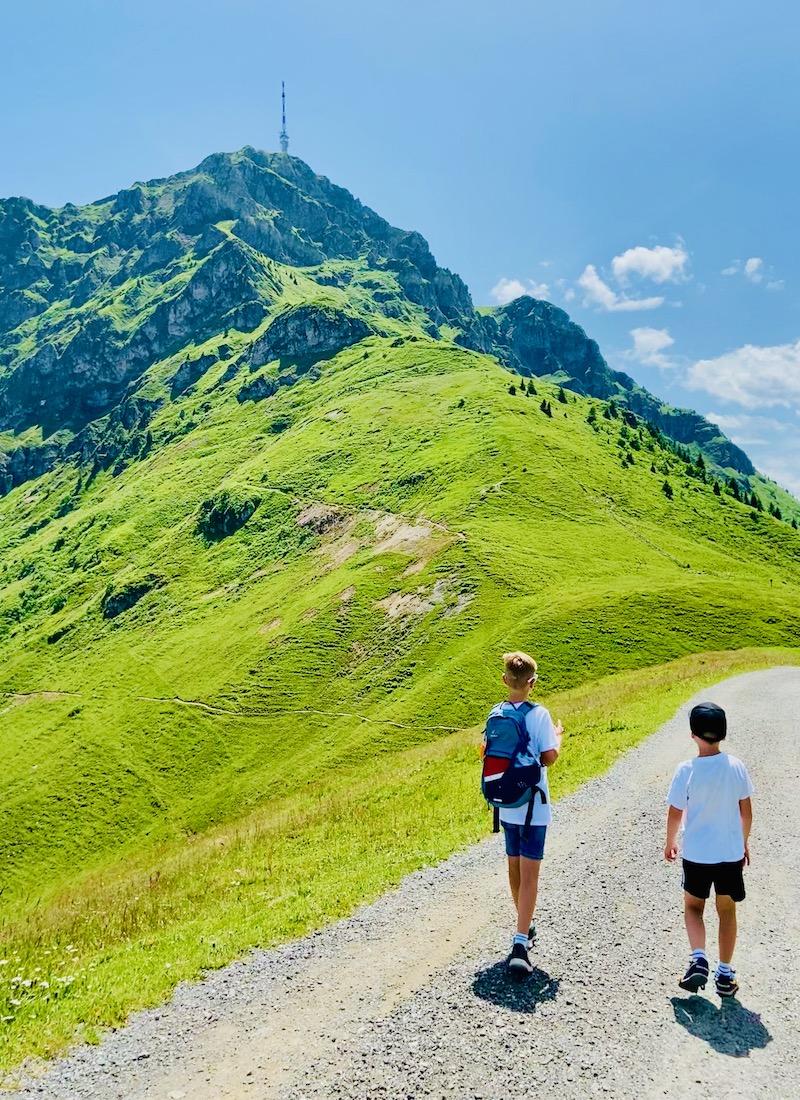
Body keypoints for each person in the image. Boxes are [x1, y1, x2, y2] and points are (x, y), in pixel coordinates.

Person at [664, 701, 754, 997]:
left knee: (693, 907)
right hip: (729, 854)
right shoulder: (736, 766)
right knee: (727, 911)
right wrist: (743, 843)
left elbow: (675, 812)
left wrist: (670, 841)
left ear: (692, 734)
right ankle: (725, 974)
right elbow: (746, 812)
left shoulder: (686, 770)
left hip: (697, 854)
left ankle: (699, 958)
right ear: (723, 734)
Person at [486, 651, 563, 977]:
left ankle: (525, 926)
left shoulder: (496, 713)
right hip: (534, 804)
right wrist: (558, 739)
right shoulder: (540, 715)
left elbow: (486, 753)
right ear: (532, 683)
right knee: (531, 874)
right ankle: (520, 942)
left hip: (506, 804)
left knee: (514, 867)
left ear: (505, 680)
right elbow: (548, 758)